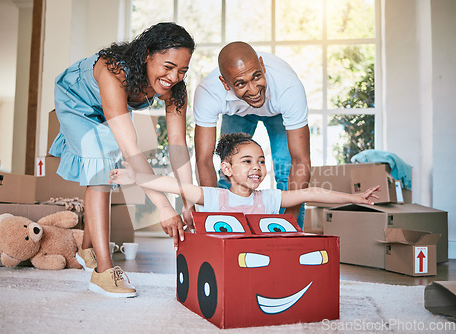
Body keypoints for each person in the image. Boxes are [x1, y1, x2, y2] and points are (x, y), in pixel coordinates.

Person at [49, 22, 196, 298]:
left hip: (110, 104)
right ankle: (103, 272)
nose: (174, 77)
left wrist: (187, 201)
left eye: (183, 70)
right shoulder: (112, 72)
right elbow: (131, 150)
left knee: (103, 162)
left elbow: (178, 146)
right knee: (101, 166)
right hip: (77, 99)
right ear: (146, 55)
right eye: (168, 66)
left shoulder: (176, 89)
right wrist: (163, 206)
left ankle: (86, 248)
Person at [109, 133, 380, 216]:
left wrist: (354, 197)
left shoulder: (269, 199)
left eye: (261, 161)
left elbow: (311, 193)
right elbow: (175, 185)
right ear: (227, 170)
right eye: (247, 161)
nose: (257, 167)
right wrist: (137, 178)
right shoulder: (214, 198)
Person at [193, 42, 310, 228]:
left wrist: (290, 229)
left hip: (277, 111)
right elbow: (204, 160)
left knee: (286, 171)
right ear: (225, 83)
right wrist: (214, 221)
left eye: (257, 77)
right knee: (229, 171)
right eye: (241, 83)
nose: (254, 90)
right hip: (237, 111)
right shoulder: (209, 92)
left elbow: (301, 159)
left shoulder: (288, 87)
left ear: (262, 66)